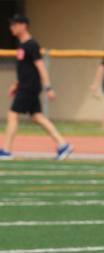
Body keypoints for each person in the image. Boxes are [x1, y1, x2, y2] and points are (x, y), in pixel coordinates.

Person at [0, 14, 72, 160]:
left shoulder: (31, 44)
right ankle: (63, 144)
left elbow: (40, 67)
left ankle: (6, 151)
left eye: (14, 25)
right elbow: (26, 70)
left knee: (13, 115)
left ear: (23, 25)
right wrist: (16, 84)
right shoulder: (22, 45)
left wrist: (48, 87)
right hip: (25, 85)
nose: (11, 28)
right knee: (37, 116)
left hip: (29, 88)